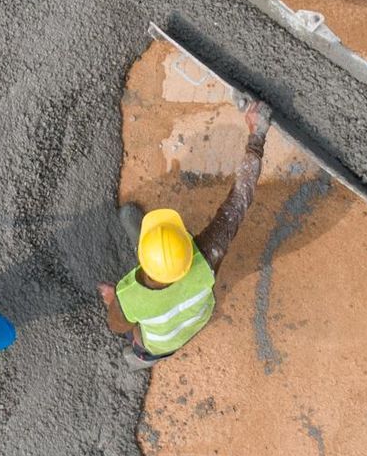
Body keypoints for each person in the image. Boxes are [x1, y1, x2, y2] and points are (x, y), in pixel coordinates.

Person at [99, 101, 272, 367]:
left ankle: (142, 358)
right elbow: (238, 203)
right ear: (187, 249)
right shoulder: (206, 258)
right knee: (163, 326)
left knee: (139, 341)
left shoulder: (129, 299)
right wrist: (256, 135)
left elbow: (117, 326)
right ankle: (146, 355)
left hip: (159, 342)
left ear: (143, 259)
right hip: (194, 321)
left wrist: (115, 301)